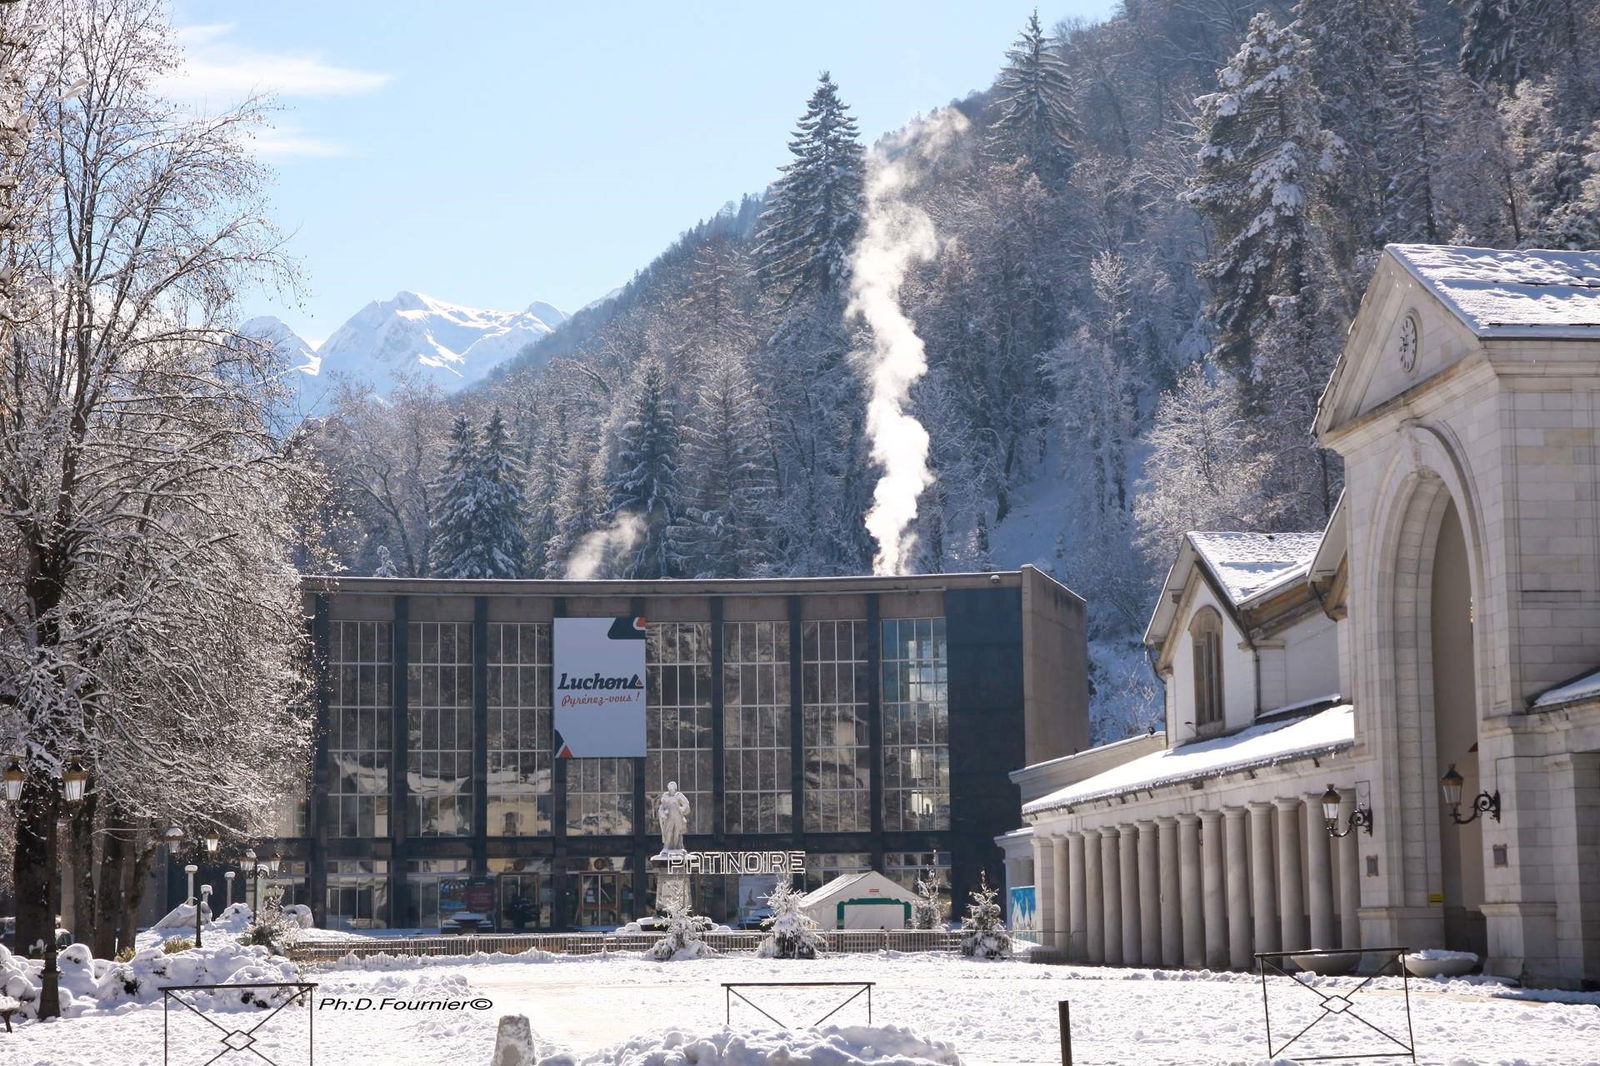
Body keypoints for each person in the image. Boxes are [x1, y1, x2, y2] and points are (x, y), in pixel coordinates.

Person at [657, 781, 690, 854]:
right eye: (670, 789)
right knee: (668, 832)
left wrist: (682, 809)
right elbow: (661, 808)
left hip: (678, 817)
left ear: (675, 789)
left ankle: (678, 847)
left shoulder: (679, 795)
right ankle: (666, 847)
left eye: (672, 789)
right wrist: (663, 814)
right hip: (669, 818)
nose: (671, 791)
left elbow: (686, 804)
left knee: (677, 833)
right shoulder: (665, 796)